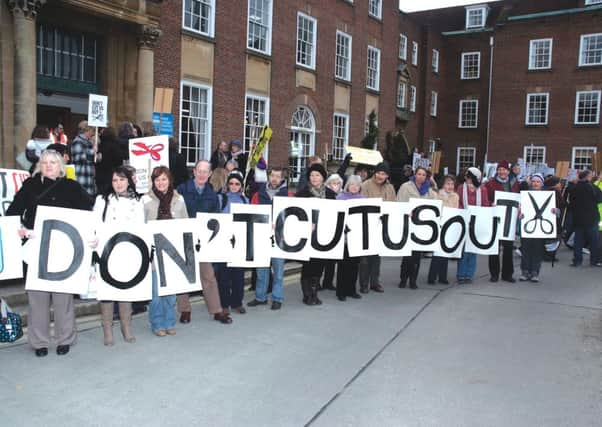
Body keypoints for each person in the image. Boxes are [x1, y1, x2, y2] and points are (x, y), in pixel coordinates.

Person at [7, 150, 93, 357]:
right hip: (36, 247)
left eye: (52, 162)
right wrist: (19, 229)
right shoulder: (30, 186)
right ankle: (39, 342)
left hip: (64, 249)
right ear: (39, 165)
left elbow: (89, 211)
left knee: (63, 297)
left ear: (60, 165)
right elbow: (13, 212)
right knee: (38, 298)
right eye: (44, 162)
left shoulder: (71, 187)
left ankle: (65, 338)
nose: (48, 165)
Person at [176, 160, 233, 324]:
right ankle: (185, 310)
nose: (201, 174)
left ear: (209, 175)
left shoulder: (212, 195)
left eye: (205, 172)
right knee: (184, 275)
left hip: (204, 240)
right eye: (199, 171)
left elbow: (215, 218)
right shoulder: (181, 190)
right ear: (194, 172)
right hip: (184, 237)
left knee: (208, 275)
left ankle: (216, 310)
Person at [93, 166, 144, 345]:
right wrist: (95, 241)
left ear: (129, 181)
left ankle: (126, 326)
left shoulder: (137, 201)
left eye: (122, 179)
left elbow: (141, 227)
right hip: (107, 251)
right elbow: (95, 224)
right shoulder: (102, 200)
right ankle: (107, 328)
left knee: (126, 290)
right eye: (115, 180)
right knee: (107, 291)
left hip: (128, 251)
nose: (119, 184)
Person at [143, 166, 188, 336]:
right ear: (153, 182)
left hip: (174, 252)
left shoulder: (179, 199)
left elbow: (186, 224)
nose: (161, 183)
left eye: (164, 179)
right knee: (155, 293)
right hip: (154, 253)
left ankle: (169, 321)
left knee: (170, 292)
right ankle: (157, 323)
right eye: (157, 179)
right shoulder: (145, 200)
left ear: (169, 180)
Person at [248, 167, 291, 310]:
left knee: (278, 270)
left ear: (282, 179)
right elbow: (251, 214)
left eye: (278, 176)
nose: (274, 179)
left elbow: (293, 218)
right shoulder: (257, 195)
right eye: (272, 175)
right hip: (261, 236)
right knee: (261, 270)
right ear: (268, 176)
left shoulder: (289, 195)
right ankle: (261, 297)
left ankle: (277, 298)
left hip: (280, 238)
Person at [295, 163, 337, 305]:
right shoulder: (302, 194)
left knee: (319, 264)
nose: (314, 178)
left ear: (323, 177)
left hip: (324, 235)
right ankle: (307, 295)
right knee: (308, 265)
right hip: (308, 235)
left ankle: (314, 293)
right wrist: (306, 223)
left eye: (317, 175)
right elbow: (296, 213)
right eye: (312, 175)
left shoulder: (330, 195)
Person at [397, 166, 438, 289]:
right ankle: (403, 279)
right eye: (419, 174)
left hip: (421, 226)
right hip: (409, 223)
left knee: (417, 255)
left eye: (423, 175)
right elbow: (399, 202)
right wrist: (405, 212)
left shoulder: (429, 191)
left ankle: (413, 280)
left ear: (427, 177)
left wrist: (434, 184)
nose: (421, 176)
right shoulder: (406, 187)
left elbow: (435, 203)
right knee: (407, 254)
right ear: (415, 174)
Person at [359, 161, 396, 293]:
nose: (381, 176)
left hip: (382, 224)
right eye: (380, 173)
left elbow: (394, 205)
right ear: (375, 173)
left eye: (384, 174)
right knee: (365, 256)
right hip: (367, 224)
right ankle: (364, 283)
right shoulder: (365, 185)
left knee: (376, 256)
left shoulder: (390, 188)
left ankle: (375, 282)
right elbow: (362, 204)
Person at [216, 172, 248, 315]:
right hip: (223, 241)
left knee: (238, 275)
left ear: (241, 186)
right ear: (227, 185)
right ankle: (224, 304)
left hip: (239, 241)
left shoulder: (245, 200)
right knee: (223, 275)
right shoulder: (220, 199)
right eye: (231, 183)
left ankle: (237, 302)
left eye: (237, 184)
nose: (234, 186)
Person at [485, 160, 520, 282]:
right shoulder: (490, 184)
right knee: (494, 247)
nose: (502, 172)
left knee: (508, 248)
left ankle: (507, 274)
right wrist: (491, 204)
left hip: (509, 220)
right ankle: (494, 274)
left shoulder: (515, 183)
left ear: (508, 171)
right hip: (496, 218)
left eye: (504, 169)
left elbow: (518, 198)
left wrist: (519, 206)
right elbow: (486, 200)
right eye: (500, 169)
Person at [519, 173, 555, 282]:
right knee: (526, 250)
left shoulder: (547, 196)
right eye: (534, 181)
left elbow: (556, 212)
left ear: (542, 183)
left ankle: (535, 271)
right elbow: (520, 210)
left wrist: (555, 211)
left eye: (538, 182)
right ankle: (525, 271)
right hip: (527, 228)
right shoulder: (524, 195)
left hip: (540, 230)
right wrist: (520, 214)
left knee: (537, 250)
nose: (535, 183)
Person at [456, 167, 489, 284]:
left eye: (468, 176)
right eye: (466, 176)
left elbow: (485, 204)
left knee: (473, 249)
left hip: (477, 222)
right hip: (464, 221)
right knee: (464, 249)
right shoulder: (461, 188)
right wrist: (464, 213)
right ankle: (461, 274)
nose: (466, 178)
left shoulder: (483, 189)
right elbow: (458, 202)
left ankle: (469, 274)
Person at [336, 175, 364, 301]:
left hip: (357, 237)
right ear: (348, 185)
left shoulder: (364, 199)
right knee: (343, 266)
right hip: (344, 237)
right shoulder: (340, 198)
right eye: (352, 184)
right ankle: (341, 291)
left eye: (357, 185)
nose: (354, 187)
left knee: (354, 265)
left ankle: (351, 289)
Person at [427, 175, 459, 285]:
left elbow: (456, 210)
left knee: (445, 252)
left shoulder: (455, 196)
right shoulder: (437, 195)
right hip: (439, 225)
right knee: (437, 252)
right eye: (447, 184)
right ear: (443, 185)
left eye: (452, 184)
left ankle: (442, 276)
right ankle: (432, 276)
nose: (450, 186)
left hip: (449, 225)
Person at [567, 170, 602, 267]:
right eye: (591, 176)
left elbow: (571, 202)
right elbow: (600, 199)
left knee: (578, 241)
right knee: (593, 241)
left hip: (578, 219)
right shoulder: (593, 188)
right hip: (592, 218)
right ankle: (594, 261)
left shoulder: (574, 188)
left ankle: (577, 261)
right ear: (588, 177)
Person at [321, 174, 344, 291]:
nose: (335, 185)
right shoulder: (325, 195)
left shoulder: (342, 196)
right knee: (322, 258)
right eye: (333, 183)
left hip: (337, 229)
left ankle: (328, 282)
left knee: (332, 259)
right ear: (328, 184)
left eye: (338, 183)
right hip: (325, 228)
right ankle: (318, 282)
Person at [95, 127, 125, 195]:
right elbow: (119, 160)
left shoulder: (99, 145)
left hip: (100, 173)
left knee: (101, 193)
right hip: (112, 172)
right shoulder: (115, 144)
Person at [71, 120, 97, 196]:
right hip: (80, 176)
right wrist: (92, 151)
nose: (93, 133)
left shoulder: (88, 142)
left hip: (88, 176)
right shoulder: (78, 141)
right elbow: (78, 157)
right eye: (92, 130)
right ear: (87, 130)